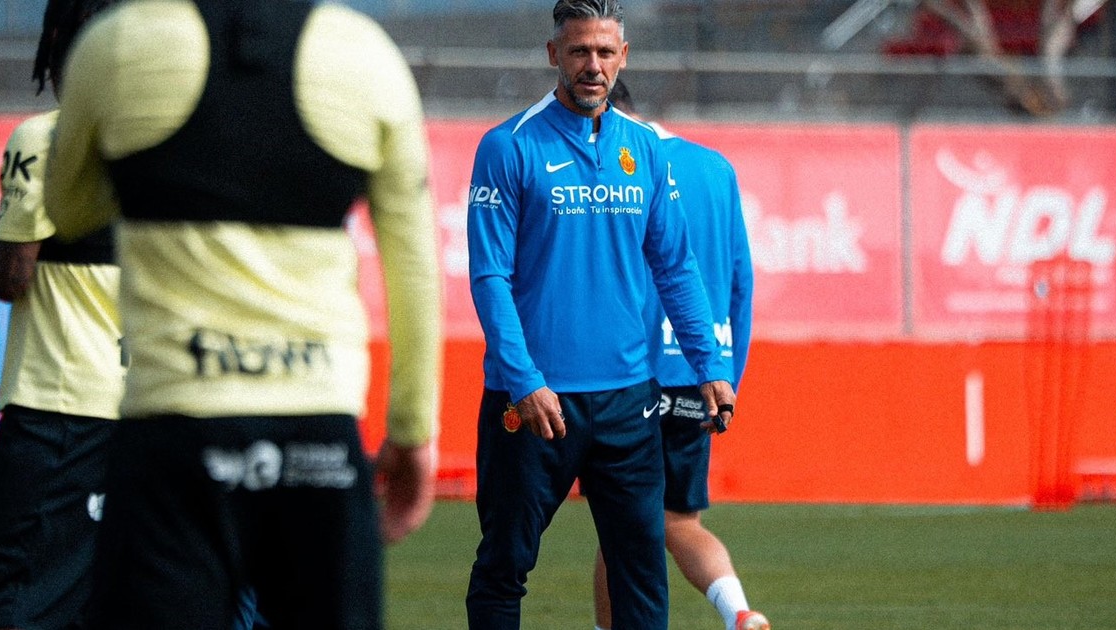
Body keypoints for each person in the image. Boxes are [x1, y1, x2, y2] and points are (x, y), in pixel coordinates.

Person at [42, 0, 443, 628]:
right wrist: (413, 430)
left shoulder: (116, 44)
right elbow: (414, 264)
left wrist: (161, 180)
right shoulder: (365, 54)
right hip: (317, 429)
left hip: (173, 430)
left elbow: (68, 210)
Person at [465, 1, 737, 628]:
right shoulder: (508, 146)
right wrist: (524, 380)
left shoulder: (644, 150)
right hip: (534, 400)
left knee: (641, 578)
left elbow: (676, 266)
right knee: (504, 566)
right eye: (580, 51)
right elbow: (489, 277)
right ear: (553, 54)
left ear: (624, 57)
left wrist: (710, 366)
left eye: (605, 52)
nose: (593, 65)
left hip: (628, 403)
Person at [0, 2, 125, 629]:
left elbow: (13, 274)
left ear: (57, 39)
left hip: (59, 411)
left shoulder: (45, 139)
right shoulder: (166, 146)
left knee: (1, 606)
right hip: (144, 412)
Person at [591, 80, 770, 630]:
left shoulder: (614, 166)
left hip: (631, 375)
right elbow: (741, 282)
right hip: (698, 374)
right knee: (675, 519)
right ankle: (739, 613)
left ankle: (733, 614)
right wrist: (727, 377)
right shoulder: (715, 168)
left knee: (624, 522)